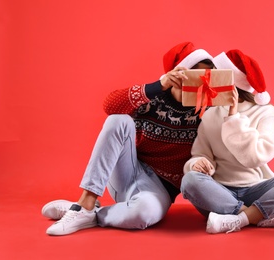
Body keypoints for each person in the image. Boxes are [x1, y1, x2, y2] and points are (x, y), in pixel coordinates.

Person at [41, 42, 215, 236]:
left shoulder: (210, 110)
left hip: (162, 189)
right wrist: (160, 85)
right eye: (195, 75)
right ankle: (86, 201)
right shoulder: (153, 96)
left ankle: (87, 213)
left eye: (206, 77)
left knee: (142, 214)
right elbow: (109, 104)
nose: (200, 82)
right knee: (118, 120)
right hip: (129, 170)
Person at [180, 49, 274, 234]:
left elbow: (254, 158)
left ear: (231, 81)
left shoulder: (265, 112)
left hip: (256, 189)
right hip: (220, 193)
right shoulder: (210, 114)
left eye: (216, 74)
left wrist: (233, 117)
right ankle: (255, 216)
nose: (209, 80)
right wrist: (199, 164)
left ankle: (238, 220)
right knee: (190, 180)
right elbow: (201, 154)